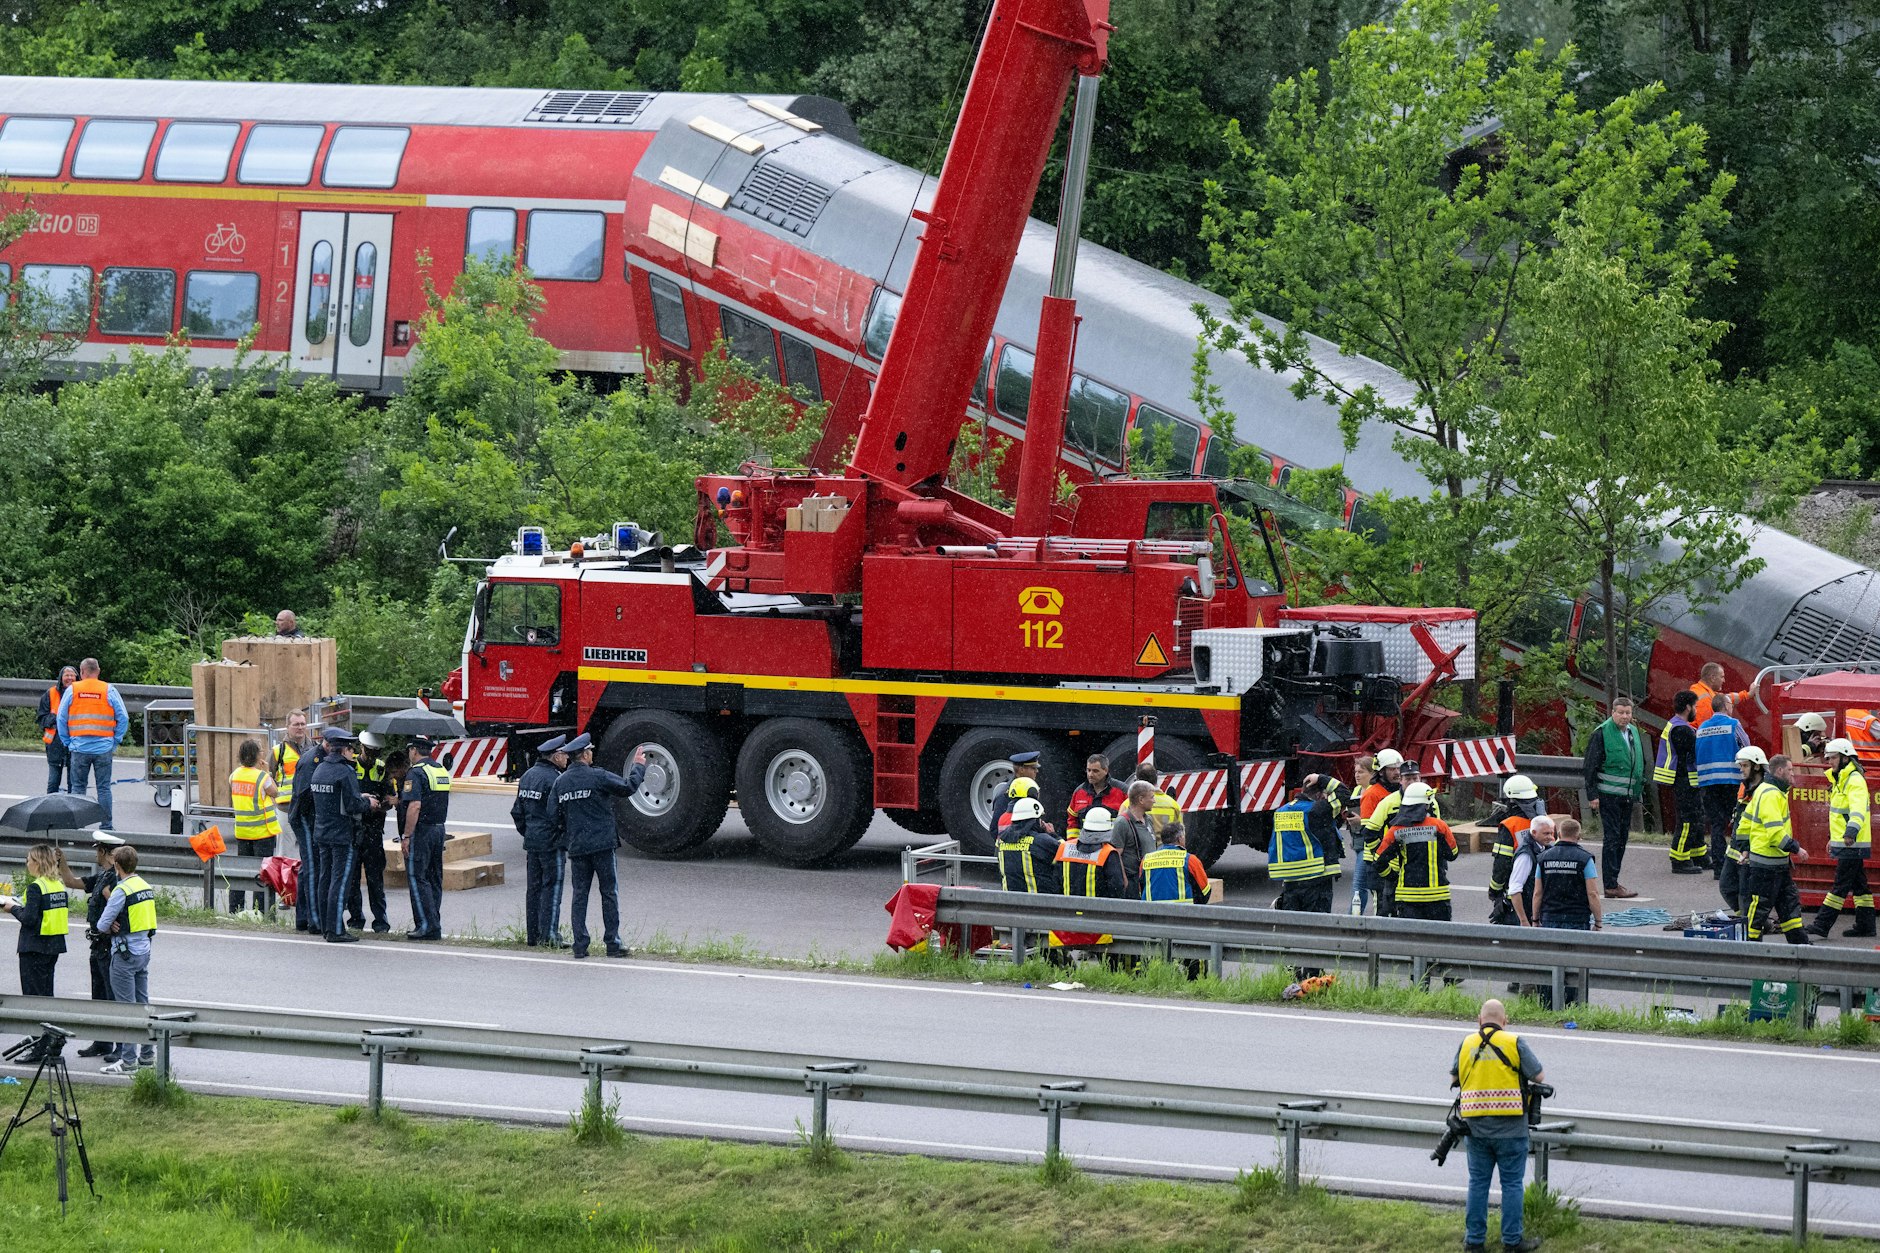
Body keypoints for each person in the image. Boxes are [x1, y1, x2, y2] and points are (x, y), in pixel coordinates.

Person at [1451, 999, 1546, 1253]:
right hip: (1512, 1129)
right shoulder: (1514, 1042)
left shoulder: (1467, 1043)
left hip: (1476, 1128)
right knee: (1512, 1184)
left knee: (1478, 1183)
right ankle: (1512, 1242)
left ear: (1479, 1020)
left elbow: (1453, 1077)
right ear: (1505, 1021)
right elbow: (1538, 1076)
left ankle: (1474, 1242)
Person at [544, 733, 645, 959]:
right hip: (602, 846)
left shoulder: (561, 783)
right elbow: (628, 787)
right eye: (590, 751)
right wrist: (639, 766)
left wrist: (569, 834)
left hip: (578, 847)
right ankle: (612, 943)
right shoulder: (598, 776)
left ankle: (580, 945)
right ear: (586, 754)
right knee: (609, 893)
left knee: (580, 895)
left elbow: (552, 817)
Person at [308, 727, 379, 944]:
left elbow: (332, 800)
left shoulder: (320, 769)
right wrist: (368, 802)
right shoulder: (345, 772)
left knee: (325, 879)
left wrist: (358, 796)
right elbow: (351, 805)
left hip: (322, 832)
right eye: (351, 749)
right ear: (345, 750)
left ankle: (325, 926)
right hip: (342, 835)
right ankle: (336, 930)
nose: (353, 753)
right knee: (339, 882)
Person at [96, 845, 157, 1073]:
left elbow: (102, 925)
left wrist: (111, 924)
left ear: (117, 866)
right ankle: (147, 1055)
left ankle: (129, 1061)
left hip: (124, 953)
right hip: (143, 952)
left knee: (127, 1009)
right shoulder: (145, 886)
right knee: (143, 1006)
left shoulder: (122, 890)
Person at [1739, 752, 1811, 944]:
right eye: (1790, 770)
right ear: (1779, 771)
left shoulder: (1766, 790)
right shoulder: (1771, 794)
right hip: (1767, 863)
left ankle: (1800, 944)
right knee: (1761, 906)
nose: (1793, 774)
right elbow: (1775, 832)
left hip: (1774, 862)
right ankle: (1751, 947)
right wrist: (1796, 848)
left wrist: (1745, 847)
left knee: (1788, 904)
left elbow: (1745, 822)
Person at [1808, 737, 1874, 938]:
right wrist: (1833, 837)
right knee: (1859, 886)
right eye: (1828, 758)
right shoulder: (1842, 779)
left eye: (1833, 758)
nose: (1830, 762)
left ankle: (1821, 924)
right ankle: (1866, 925)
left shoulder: (1854, 780)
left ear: (1846, 758)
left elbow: (1857, 811)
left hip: (1852, 842)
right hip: (1848, 841)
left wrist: (1849, 834)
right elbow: (1839, 815)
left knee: (1840, 885)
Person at [1582, 696, 1645, 899]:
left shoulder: (1633, 732)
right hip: (1608, 795)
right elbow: (1590, 765)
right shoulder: (1602, 733)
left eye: (1628, 713)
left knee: (1622, 838)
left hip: (1626, 795)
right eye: (1621, 713)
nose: (1625, 717)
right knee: (1612, 838)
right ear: (1612, 713)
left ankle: (1614, 880)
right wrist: (1592, 794)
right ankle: (1610, 884)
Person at [1369, 782, 1458, 921]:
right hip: (1438, 897)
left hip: (1407, 898)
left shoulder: (1396, 830)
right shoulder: (1440, 826)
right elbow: (1453, 854)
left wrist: (1392, 876)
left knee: (1411, 940)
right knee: (1439, 940)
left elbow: (1378, 861)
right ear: (1427, 804)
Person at [57, 657, 128, 830]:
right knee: (103, 788)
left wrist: (67, 741)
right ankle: (106, 826)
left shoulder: (73, 690)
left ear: (81, 672)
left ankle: (77, 826)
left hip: (79, 748)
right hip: (103, 748)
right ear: (98, 671)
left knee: (78, 789)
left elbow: (61, 717)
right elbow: (123, 717)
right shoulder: (108, 689)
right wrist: (115, 740)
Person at [513, 734, 569, 947]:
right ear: (555, 757)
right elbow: (560, 813)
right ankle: (550, 935)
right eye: (564, 754)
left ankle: (533, 935)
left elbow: (517, 811)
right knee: (552, 887)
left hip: (533, 842)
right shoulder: (556, 779)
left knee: (533, 889)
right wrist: (562, 835)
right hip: (551, 842)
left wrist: (529, 832)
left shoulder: (528, 776)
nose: (567, 759)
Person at [75, 831, 126, 1058]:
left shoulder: (112, 879)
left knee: (111, 996)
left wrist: (112, 922)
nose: (96, 853)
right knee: (99, 996)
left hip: (106, 945)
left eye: (98, 849)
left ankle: (120, 1046)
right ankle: (102, 1042)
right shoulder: (104, 876)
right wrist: (62, 863)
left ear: (105, 852)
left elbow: (116, 903)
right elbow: (71, 882)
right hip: (97, 945)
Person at [7, 843, 80, 996]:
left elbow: (29, 919)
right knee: (47, 993)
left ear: (37, 863)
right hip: (53, 945)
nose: (27, 864)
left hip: (35, 946)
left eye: (28, 860)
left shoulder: (36, 887)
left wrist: (12, 908)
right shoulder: (58, 885)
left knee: (33, 995)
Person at [400, 737, 454, 941]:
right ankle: (434, 922)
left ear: (414, 750)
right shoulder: (440, 770)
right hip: (438, 829)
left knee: (417, 877)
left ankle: (425, 925)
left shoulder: (415, 772)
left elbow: (414, 806)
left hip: (421, 831)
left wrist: (407, 835)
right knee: (433, 878)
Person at [1694, 693, 1749, 879]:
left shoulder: (1702, 727)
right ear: (1725, 706)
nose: (1732, 706)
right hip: (1731, 781)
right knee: (1736, 823)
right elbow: (1747, 749)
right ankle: (1734, 866)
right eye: (1730, 704)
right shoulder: (1733, 725)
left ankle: (1718, 867)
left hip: (1708, 783)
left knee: (1716, 825)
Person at [1269, 775, 1342, 914]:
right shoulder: (1316, 810)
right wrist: (1321, 778)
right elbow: (1344, 794)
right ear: (1320, 795)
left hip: (1290, 879)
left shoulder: (1281, 811)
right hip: (1316, 877)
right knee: (1317, 926)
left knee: (1293, 927)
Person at [346, 732, 395, 934]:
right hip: (353, 829)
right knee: (352, 878)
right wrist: (363, 801)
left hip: (374, 830)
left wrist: (383, 804)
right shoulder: (350, 767)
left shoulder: (382, 769)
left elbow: (390, 798)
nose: (373, 756)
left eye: (377, 752)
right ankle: (356, 918)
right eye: (370, 751)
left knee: (375, 878)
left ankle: (380, 921)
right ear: (362, 748)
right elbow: (346, 796)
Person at [274, 711, 318, 931]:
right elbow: (268, 778)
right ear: (287, 726)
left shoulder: (313, 748)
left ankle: (303, 897)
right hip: (285, 808)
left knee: (306, 856)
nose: (300, 728)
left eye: (303, 724)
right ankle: (285, 896)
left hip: (309, 809)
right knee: (286, 854)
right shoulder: (278, 751)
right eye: (295, 724)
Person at [1654, 691, 1706, 873]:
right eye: (1696, 706)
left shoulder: (1679, 725)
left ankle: (1700, 855)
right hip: (1683, 781)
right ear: (1688, 707)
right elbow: (1696, 750)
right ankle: (1680, 860)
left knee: (1697, 818)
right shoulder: (1681, 729)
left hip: (1687, 780)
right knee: (1687, 821)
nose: (1697, 710)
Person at [227, 738, 280, 914]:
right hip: (262, 832)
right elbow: (275, 792)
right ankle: (262, 910)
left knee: (241, 871)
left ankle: (236, 909)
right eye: (261, 751)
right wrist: (266, 771)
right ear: (256, 756)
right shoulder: (261, 777)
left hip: (242, 832)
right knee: (262, 874)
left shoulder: (234, 775)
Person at [1356, 749, 1406, 915]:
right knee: (1383, 907)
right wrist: (1381, 858)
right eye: (1392, 769)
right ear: (1381, 771)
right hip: (1378, 859)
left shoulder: (1400, 791)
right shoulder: (1373, 794)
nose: (1397, 772)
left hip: (1398, 859)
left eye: (1399, 768)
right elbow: (1368, 832)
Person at [1486, 776, 1543, 921]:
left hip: (1518, 893)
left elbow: (1502, 864)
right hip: (1542, 891)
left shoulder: (1510, 825)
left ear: (1512, 801)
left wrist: (1495, 891)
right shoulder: (1545, 823)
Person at [1053, 806, 1126, 898]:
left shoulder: (1064, 848)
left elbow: (1055, 883)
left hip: (1066, 909)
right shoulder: (1108, 853)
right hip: (1096, 910)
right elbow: (1117, 888)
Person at [996, 797, 1061, 892]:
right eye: (1039, 818)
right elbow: (1065, 853)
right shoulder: (1042, 841)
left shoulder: (1001, 840)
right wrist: (1053, 835)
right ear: (1034, 820)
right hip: (1038, 902)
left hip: (1009, 900)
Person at [1140, 821, 1211, 903]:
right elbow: (1205, 891)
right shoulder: (1190, 860)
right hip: (1181, 913)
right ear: (1180, 839)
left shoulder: (1146, 859)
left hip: (1151, 913)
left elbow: (1141, 888)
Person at [1506, 815, 1557, 928]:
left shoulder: (1544, 847)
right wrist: (1524, 921)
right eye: (1546, 834)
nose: (1550, 837)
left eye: (1551, 833)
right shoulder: (1525, 855)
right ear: (1534, 833)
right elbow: (1515, 889)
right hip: (1527, 913)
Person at [1110, 780, 1159, 893]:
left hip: (1148, 880)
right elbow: (1116, 856)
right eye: (1151, 797)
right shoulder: (1122, 823)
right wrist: (1125, 881)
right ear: (1141, 800)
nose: (1154, 801)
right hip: (1133, 883)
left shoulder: (1149, 819)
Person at [987, 752, 1045, 846]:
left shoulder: (1029, 789)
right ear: (1021, 770)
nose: (1036, 771)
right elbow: (996, 829)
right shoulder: (1006, 794)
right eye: (1033, 768)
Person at [1065, 754, 1128, 840]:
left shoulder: (1122, 791)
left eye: (1095, 771)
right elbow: (1072, 820)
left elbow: (1132, 821)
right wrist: (1072, 843)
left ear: (1105, 770)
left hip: (1113, 846)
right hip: (1085, 846)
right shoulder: (1079, 792)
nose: (1090, 774)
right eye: (1088, 770)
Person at [36, 665, 76, 794]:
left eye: (72, 675)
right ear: (61, 678)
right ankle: (50, 808)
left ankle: (74, 808)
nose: (69, 678)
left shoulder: (80, 694)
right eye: (66, 675)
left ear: (77, 677)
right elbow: (41, 718)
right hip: (54, 743)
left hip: (74, 741)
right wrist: (57, 718)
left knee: (74, 782)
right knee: (53, 781)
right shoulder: (50, 693)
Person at [1134, 764, 1183, 831]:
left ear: (1138, 781)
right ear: (1156, 778)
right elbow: (1180, 837)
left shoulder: (1129, 804)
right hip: (1165, 841)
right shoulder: (1173, 805)